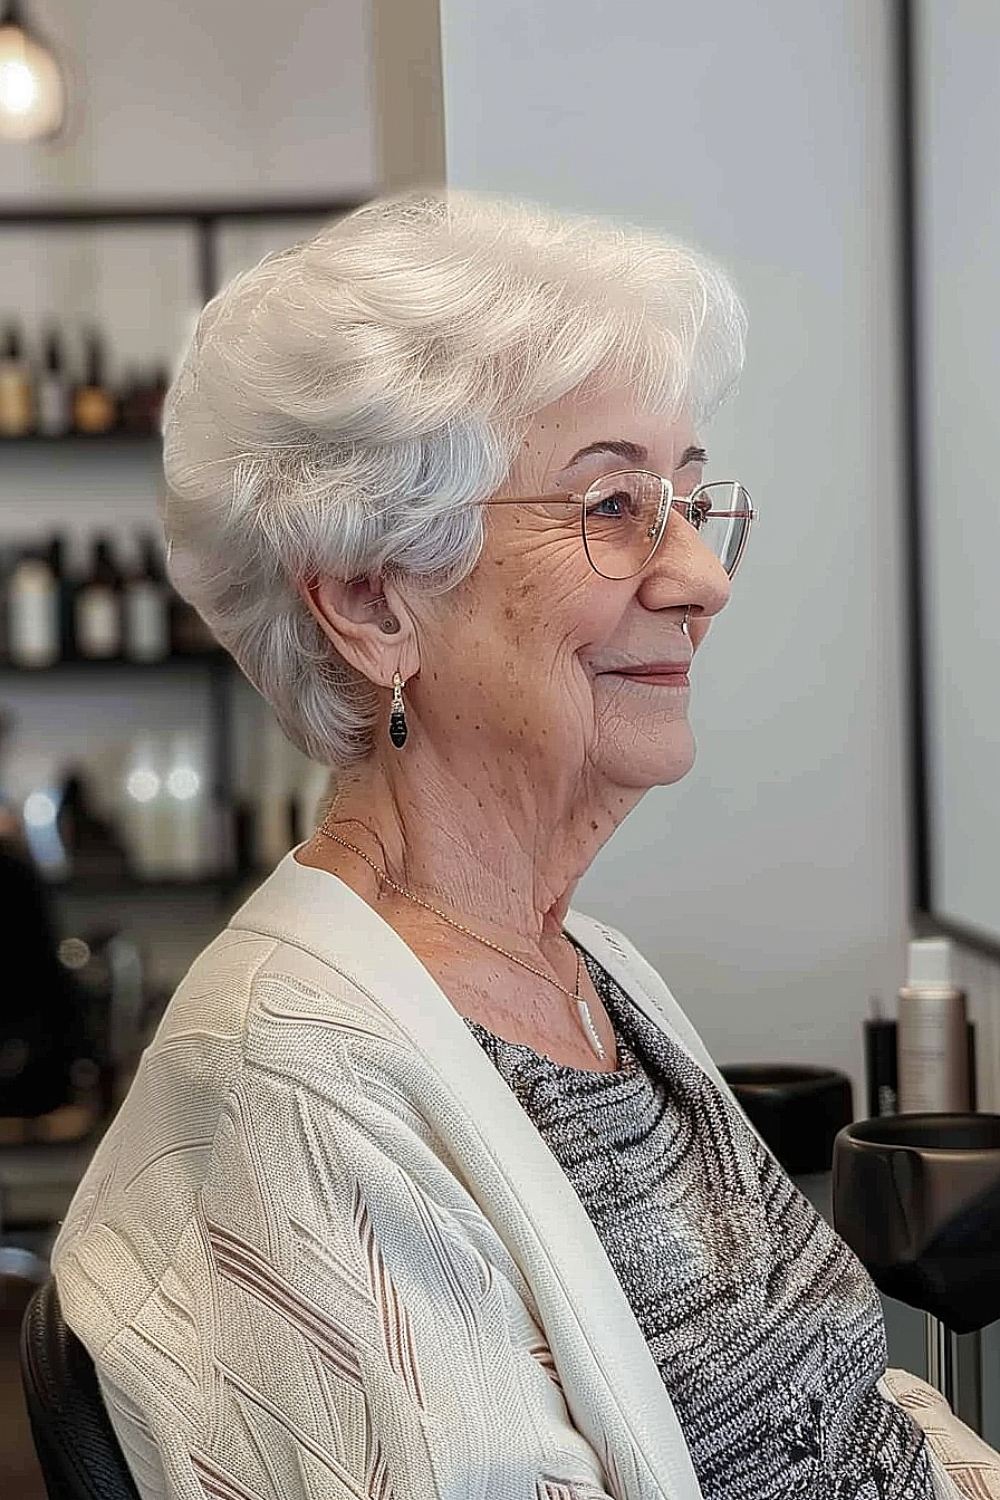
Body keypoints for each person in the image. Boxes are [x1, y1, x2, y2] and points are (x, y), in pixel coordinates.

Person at [52, 190, 991, 1500]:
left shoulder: (587, 973)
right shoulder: (294, 1093)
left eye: (691, 503)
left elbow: (837, 1395)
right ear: (377, 601)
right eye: (613, 505)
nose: (703, 579)